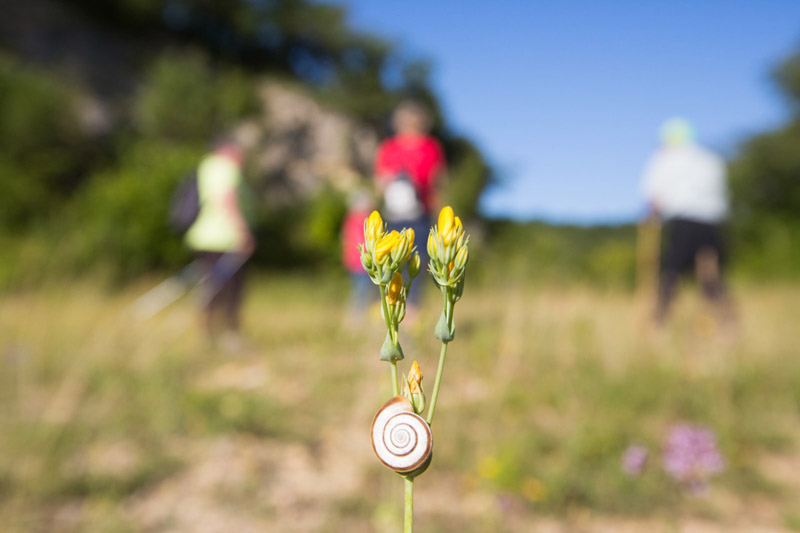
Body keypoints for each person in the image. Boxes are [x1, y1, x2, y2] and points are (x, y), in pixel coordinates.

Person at [640, 118, 733, 325]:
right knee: (710, 270)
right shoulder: (710, 159)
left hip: (683, 220)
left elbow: (654, 194)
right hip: (711, 222)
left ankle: (660, 323)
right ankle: (726, 323)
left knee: (671, 271)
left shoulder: (665, 157)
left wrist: (651, 213)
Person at [374, 101, 447, 309]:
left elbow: (436, 181)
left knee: (413, 262)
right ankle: (400, 309)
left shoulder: (427, 147)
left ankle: (407, 310)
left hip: (417, 213)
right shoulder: (392, 147)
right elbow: (438, 183)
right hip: (399, 213)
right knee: (402, 263)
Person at [185, 140, 255, 348]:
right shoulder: (228, 168)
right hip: (225, 239)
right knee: (231, 290)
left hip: (202, 237)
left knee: (209, 287)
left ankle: (206, 333)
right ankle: (230, 335)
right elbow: (228, 200)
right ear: (231, 152)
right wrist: (243, 231)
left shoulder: (206, 165)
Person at [340, 189, 376, 326]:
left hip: (356, 262)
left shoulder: (350, 220)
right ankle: (355, 319)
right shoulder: (360, 220)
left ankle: (359, 318)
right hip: (361, 263)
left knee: (363, 291)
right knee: (361, 292)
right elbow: (360, 241)